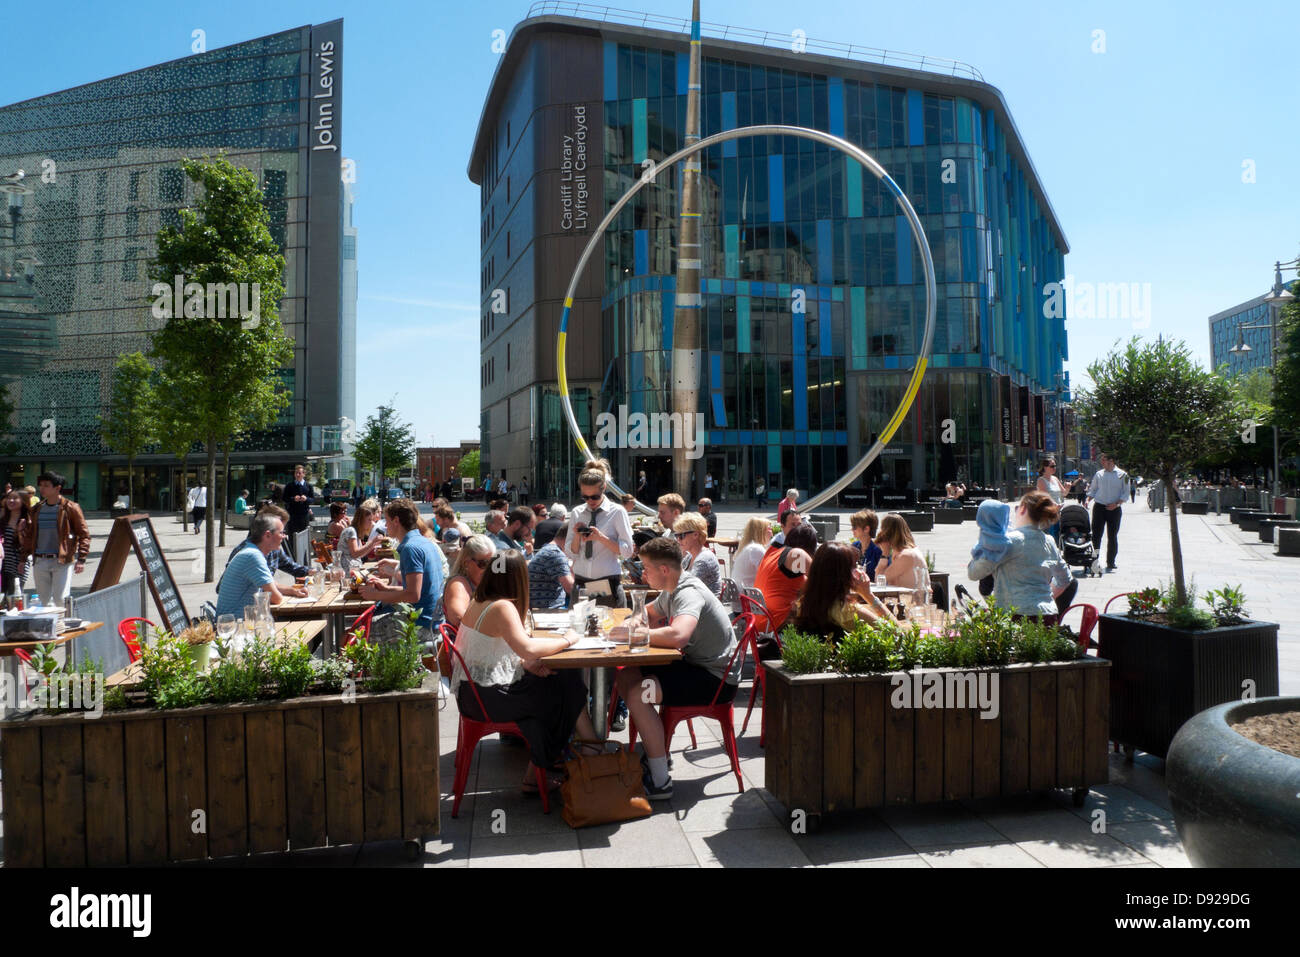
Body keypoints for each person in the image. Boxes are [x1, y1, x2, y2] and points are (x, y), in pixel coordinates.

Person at [451, 550, 597, 792]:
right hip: (486, 698)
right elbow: (528, 648)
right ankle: (573, 753)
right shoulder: (502, 607)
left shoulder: (480, 599)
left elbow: (494, 651)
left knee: (562, 680)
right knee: (565, 686)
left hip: (473, 693)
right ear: (518, 578)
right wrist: (568, 640)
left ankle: (547, 765)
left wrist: (524, 664)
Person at [612, 537, 741, 800]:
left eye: (645, 568)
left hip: (715, 680)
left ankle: (660, 781)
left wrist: (636, 635)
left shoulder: (688, 592)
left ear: (664, 570)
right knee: (626, 675)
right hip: (696, 665)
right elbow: (646, 612)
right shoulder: (671, 587)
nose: (642, 573)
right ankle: (658, 751)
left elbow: (678, 635)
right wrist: (635, 621)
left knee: (638, 693)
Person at [966, 493, 1075, 623]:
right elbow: (1065, 579)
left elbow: (974, 573)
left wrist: (984, 544)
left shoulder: (1008, 542)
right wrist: (1043, 597)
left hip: (1014, 614)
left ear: (1022, 509)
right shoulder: (1049, 541)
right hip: (1047, 615)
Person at [359, 499, 446, 639]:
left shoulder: (410, 548)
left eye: (387, 520)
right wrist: (387, 589)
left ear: (396, 521)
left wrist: (375, 595)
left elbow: (413, 595)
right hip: (433, 622)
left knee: (351, 637)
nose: (385, 526)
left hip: (419, 625)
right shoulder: (424, 542)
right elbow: (421, 590)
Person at [564, 459, 635, 607]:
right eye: (585, 497)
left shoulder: (617, 512)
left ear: (603, 488)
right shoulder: (578, 512)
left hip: (606, 582)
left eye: (594, 497)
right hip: (581, 581)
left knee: (609, 627)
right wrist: (577, 535)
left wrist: (601, 538)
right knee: (578, 627)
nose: (590, 501)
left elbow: (627, 551)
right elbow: (571, 553)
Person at [215, 512, 307, 619]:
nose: (284, 536)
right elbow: (276, 598)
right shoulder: (253, 556)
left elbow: (270, 584)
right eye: (281, 532)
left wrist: (293, 591)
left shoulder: (252, 551)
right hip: (236, 628)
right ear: (268, 535)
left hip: (239, 622)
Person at [789, 541, 888, 639]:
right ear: (843, 575)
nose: (857, 571)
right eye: (854, 567)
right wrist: (869, 596)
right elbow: (898, 634)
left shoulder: (802, 604)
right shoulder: (849, 611)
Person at [19, 471, 90, 608]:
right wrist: (23, 558)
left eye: (46, 485)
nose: (42, 489)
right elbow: (30, 535)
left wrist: (81, 559)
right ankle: (49, 628)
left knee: (60, 599)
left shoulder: (70, 507)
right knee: (43, 601)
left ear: (57, 488)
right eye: (41, 485)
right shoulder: (37, 509)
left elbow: (84, 534)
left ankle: (62, 626)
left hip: (61, 560)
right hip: (40, 560)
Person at [751, 523, 818, 635]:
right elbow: (820, 582)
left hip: (759, 620)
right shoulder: (797, 554)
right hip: (778, 621)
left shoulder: (772, 552)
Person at [443, 534, 497, 629]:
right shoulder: (458, 584)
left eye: (493, 563)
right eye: (484, 563)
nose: (489, 569)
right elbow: (457, 617)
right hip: (464, 642)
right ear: (466, 563)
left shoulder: (484, 582)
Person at [1086, 452, 1129, 571]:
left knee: (1112, 536)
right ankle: (1094, 560)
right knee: (1096, 536)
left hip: (1114, 509)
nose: (1102, 462)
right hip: (1099, 507)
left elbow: (1126, 493)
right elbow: (1093, 490)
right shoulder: (1099, 474)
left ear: (1111, 461)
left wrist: (1116, 504)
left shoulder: (1123, 475)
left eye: (1104, 460)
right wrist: (1088, 499)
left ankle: (1111, 561)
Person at [874, 513, 929, 590]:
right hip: (909, 598)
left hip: (913, 600)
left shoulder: (905, 555)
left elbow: (879, 580)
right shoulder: (910, 550)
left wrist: (885, 554)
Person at [528, 522, 574, 609]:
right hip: (548, 612)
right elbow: (571, 588)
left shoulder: (549, 549)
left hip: (545, 609)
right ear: (570, 537)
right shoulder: (555, 553)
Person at [674, 512, 721, 595]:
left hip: (704, 607)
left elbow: (686, 587)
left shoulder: (704, 559)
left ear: (695, 534)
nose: (678, 539)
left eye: (681, 535)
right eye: (676, 536)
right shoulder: (689, 557)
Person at [281, 465, 316, 562]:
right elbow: (284, 498)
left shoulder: (308, 486)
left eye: (300, 473)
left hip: (304, 515)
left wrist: (306, 499)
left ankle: (304, 557)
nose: (298, 475)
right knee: (292, 535)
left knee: (304, 534)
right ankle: (293, 557)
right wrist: (293, 499)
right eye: (296, 473)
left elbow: (313, 499)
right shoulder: (290, 485)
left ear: (304, 474)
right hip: (292, 515)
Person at [2, 488, 32, 599]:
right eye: (9, 498)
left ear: (23, 501)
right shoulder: (3, 519)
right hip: (3, 564)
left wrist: (20, 532)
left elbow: (27, 546)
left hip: (18, 564)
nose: (11, 501)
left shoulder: (27, 521)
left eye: (15, 498)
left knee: (14, 597)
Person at [335, 501, 381, 572]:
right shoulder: (351, 531)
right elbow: (355, 554)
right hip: (347, 571)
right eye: (369, 520)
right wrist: (372, 542)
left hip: (354, 568)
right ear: (361, 519)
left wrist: (373, 544)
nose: (372, 523)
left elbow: (361, 554)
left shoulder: (356, 532)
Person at [731, 517, 772, 590]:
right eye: (769, 529)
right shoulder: (756, 549)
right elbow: (769, 574)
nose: (772, 533)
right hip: (749, 596)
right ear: (761, 531)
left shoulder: (748, 547)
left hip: (741, 593)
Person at [1036, 457, 1065, 543]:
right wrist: (1055, 504)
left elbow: (1064, 493)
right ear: (1045, 467)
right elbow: (1045, 497)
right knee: (1050, 536)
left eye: (1055, 466)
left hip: (1058, 511)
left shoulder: (1055, 479)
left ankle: (1057, 553)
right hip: (1048, 512)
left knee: (1057, 534)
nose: (1054, 468)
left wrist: (1068, 487)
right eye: (1052, 466)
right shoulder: (1041, 480)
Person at [849, 509, 884, 577]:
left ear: (866, 529)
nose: (851, 529)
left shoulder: (879, 550)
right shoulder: (854, 546)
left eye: (854, 527)